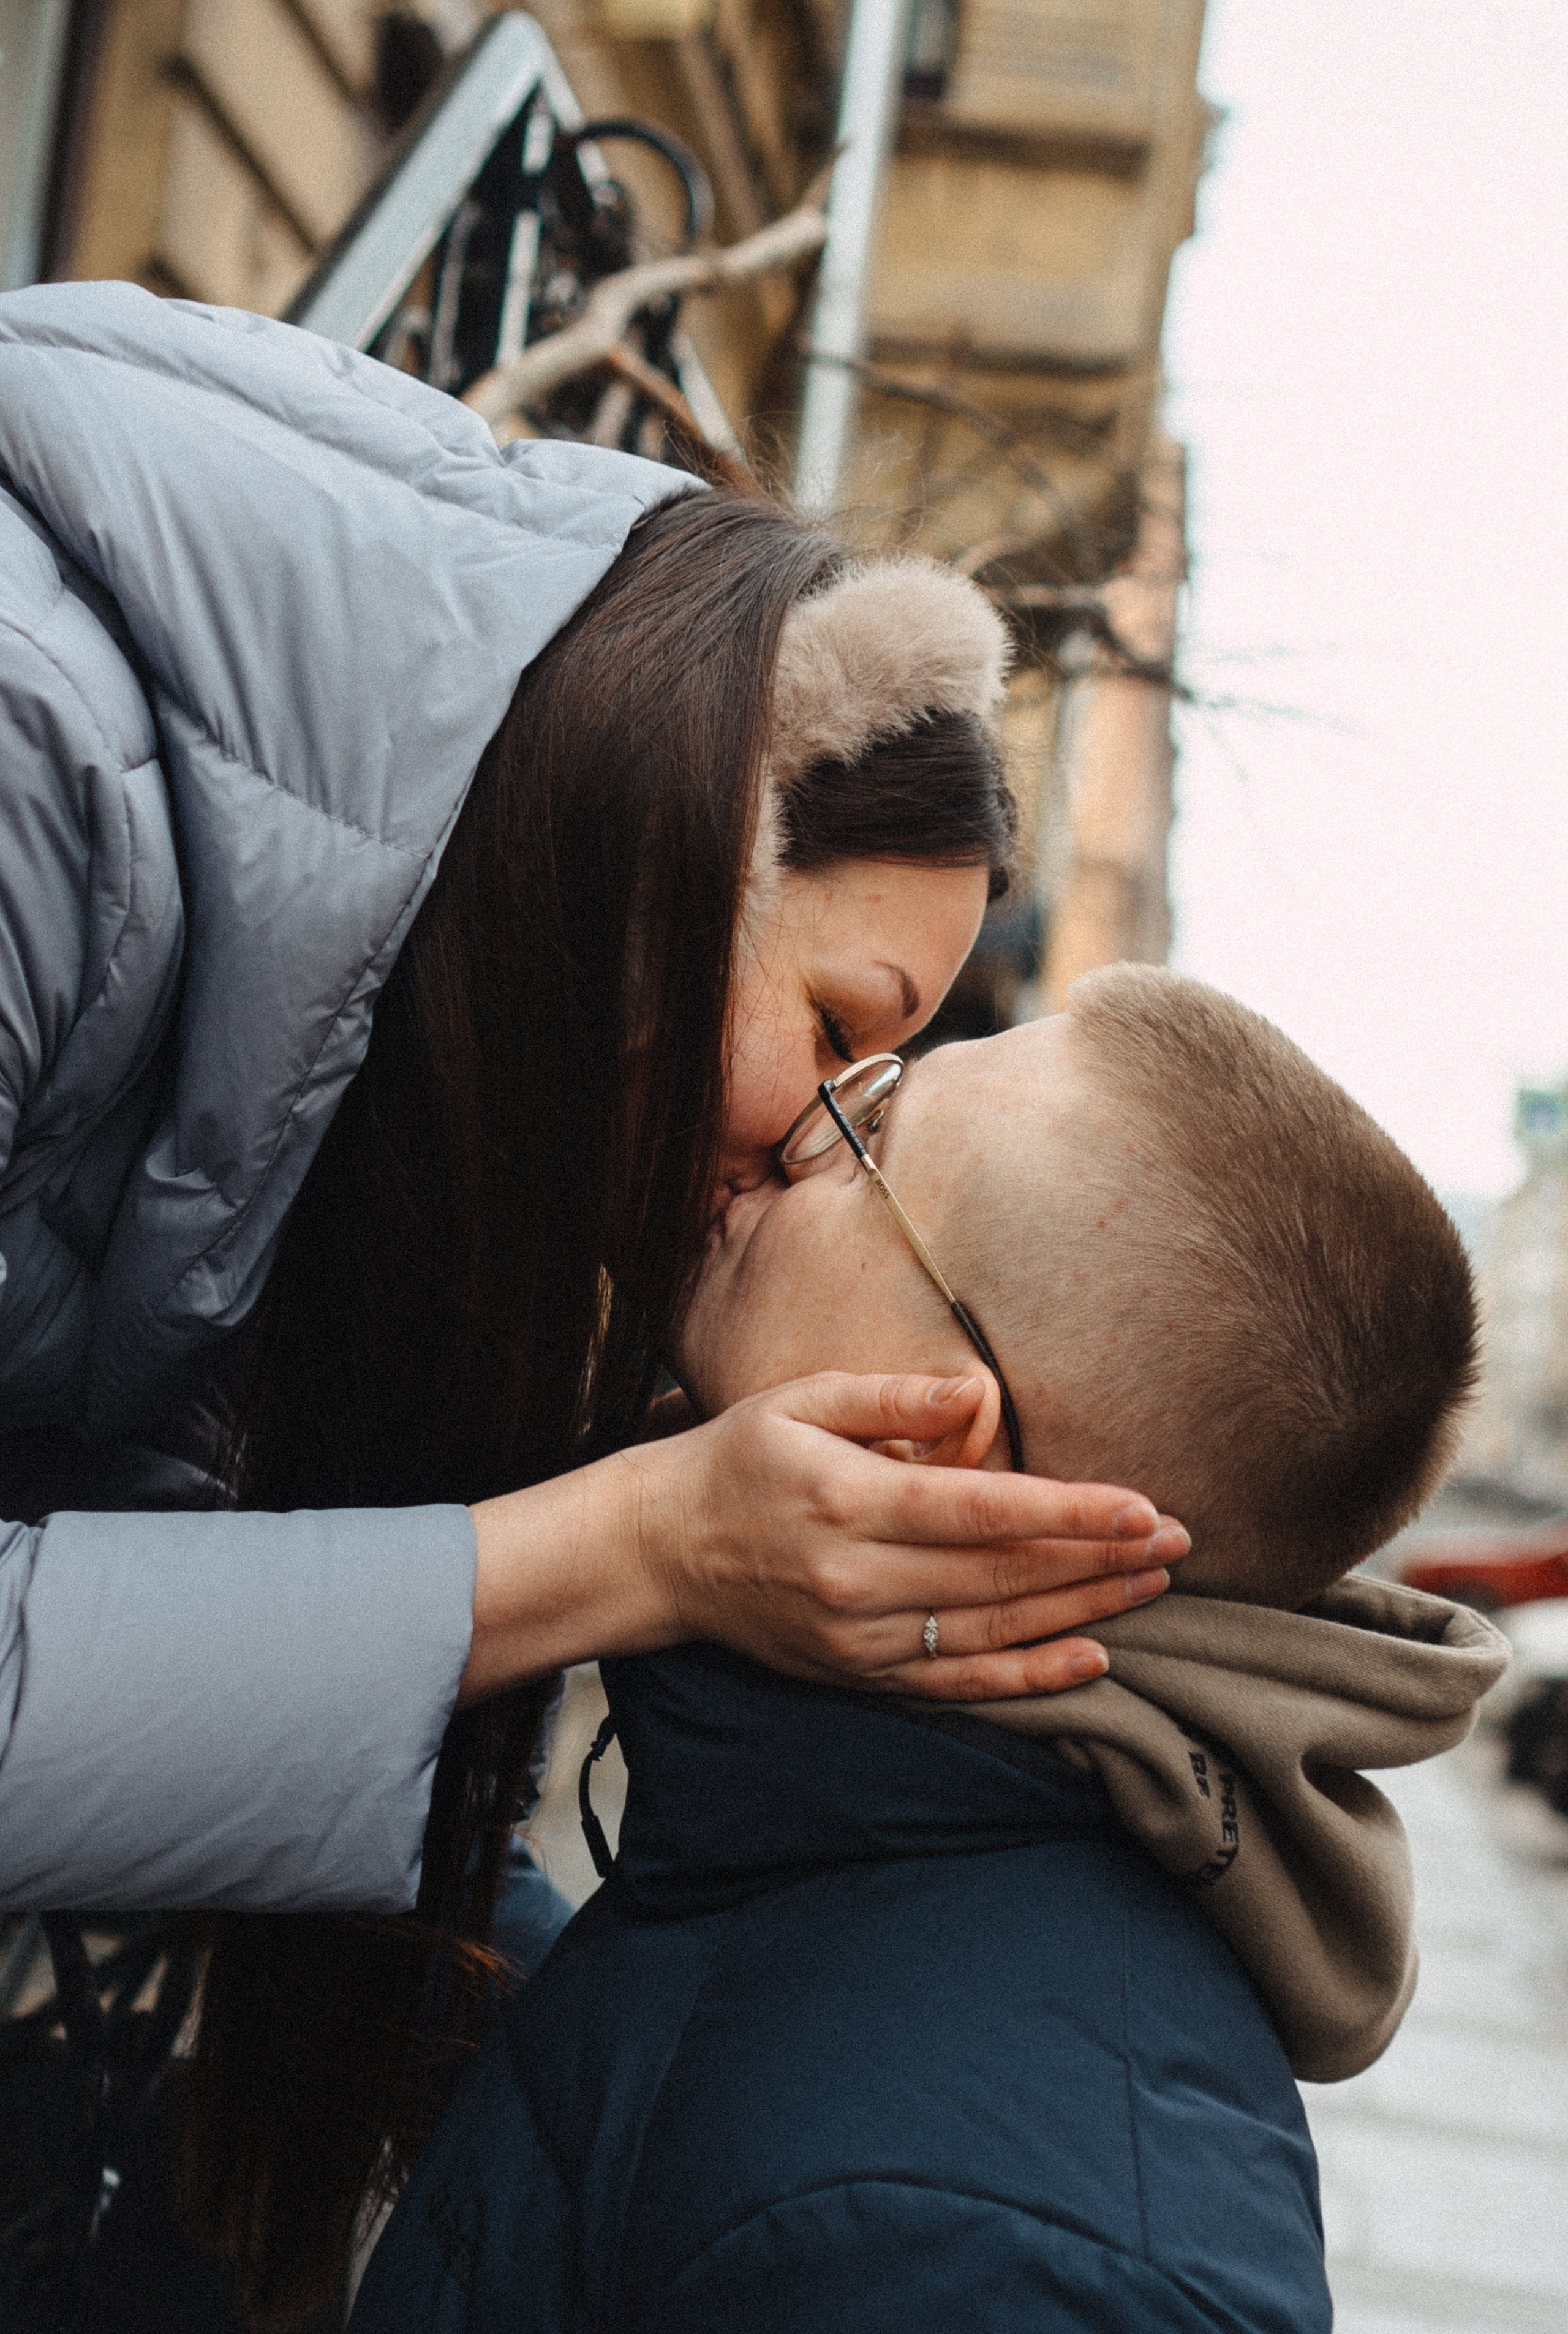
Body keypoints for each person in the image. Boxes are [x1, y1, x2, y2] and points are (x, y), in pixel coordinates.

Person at [0, 283, 1187, 2313]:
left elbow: (175, 1562)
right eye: (840, 1033)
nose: (810, 1147)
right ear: (679, 827)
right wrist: (638, 1546)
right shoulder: (38, 771)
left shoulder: (354, 1051)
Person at [349, 966, 1506, 2334]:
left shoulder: (1006, 2258)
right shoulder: (845, 1833)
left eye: (866, 1133)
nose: (784, 1132)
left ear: (942, 1440)